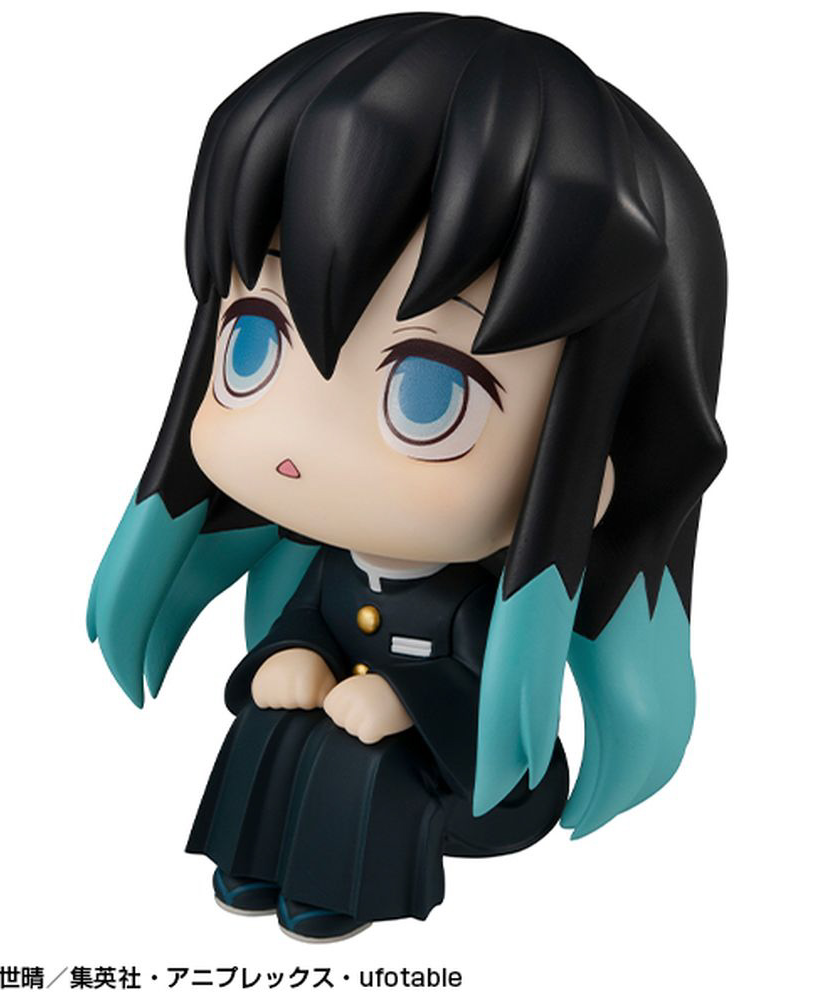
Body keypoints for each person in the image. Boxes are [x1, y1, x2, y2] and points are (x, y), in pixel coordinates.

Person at [87, 13, 726, 942]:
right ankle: (250, 860)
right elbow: (305, 619)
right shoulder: (325, 566)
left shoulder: (472, 605)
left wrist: (401, 703)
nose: (297, 445)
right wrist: (289, 657)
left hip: (443, 771)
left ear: (599, 464)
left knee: (362, 762)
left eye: (430, 393)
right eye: (253, 344)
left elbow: (486, 704)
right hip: (341, 718)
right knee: (276, 727)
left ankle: (342, 891)